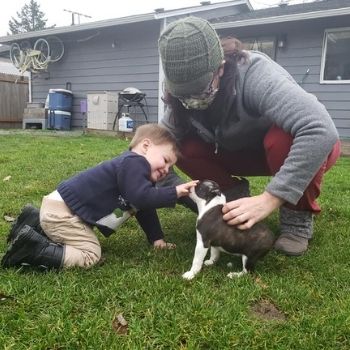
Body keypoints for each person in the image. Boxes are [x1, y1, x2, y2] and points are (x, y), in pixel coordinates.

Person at [158, 16, 341, 256]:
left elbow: (320, 129)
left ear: (220, 68)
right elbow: (155, 145)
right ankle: (233, 203)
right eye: (184, 94)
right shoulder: (180, 100)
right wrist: (153, 183)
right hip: (239, 151)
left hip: (291, 148)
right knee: (178, 146)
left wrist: (270, 198)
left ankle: (296, 221)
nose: (191, 100)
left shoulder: (255, 74)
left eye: (200, 89)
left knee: (283, 137)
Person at [1, 124, 198, 270]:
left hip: (57, 208)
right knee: (91, 254)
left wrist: (157, 240)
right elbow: (142, 198)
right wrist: (175, 192)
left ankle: (33, 223)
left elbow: (142, 207)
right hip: (63, 215)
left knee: (80, 238)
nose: (166, 170)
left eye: (170, 167)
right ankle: (30, 249)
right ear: (145, 146)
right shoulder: (134, 163)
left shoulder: (132, 170)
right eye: (165, 160)